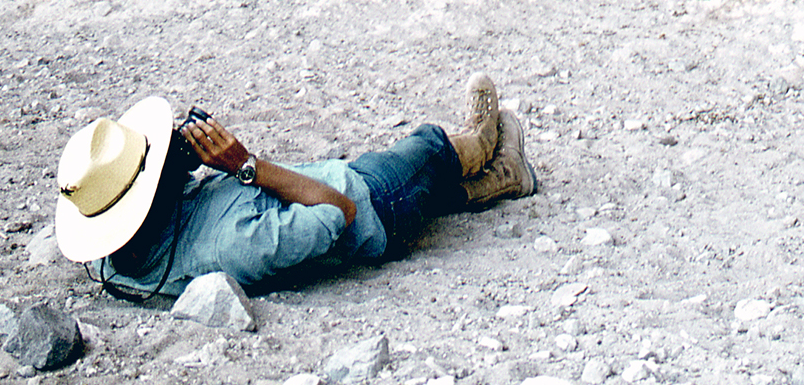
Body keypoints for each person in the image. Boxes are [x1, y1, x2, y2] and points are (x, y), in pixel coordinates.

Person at [53, 74, 535, 300]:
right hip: (376, 206)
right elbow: (339, 210)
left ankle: (497, 183)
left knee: (437, 193)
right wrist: (245, 165)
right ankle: (489, 149)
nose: (173, 154)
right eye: (157, 163)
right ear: (149, 201)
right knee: (432, 148)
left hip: (333, 188)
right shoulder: (235, 245)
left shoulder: (115, 259)